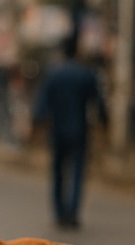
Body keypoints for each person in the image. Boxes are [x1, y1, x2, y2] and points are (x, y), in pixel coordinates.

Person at [32, 35, 108, 229]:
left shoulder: (53, 74)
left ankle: (59, 213)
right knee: (77, 172)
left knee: (58, 173)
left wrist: (36, 129)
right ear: (77, 51)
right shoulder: (86, 74)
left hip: (57, 131)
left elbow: (41, 107)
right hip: (79, 130)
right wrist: (104, 125)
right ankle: (72, 213)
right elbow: (98, 103)